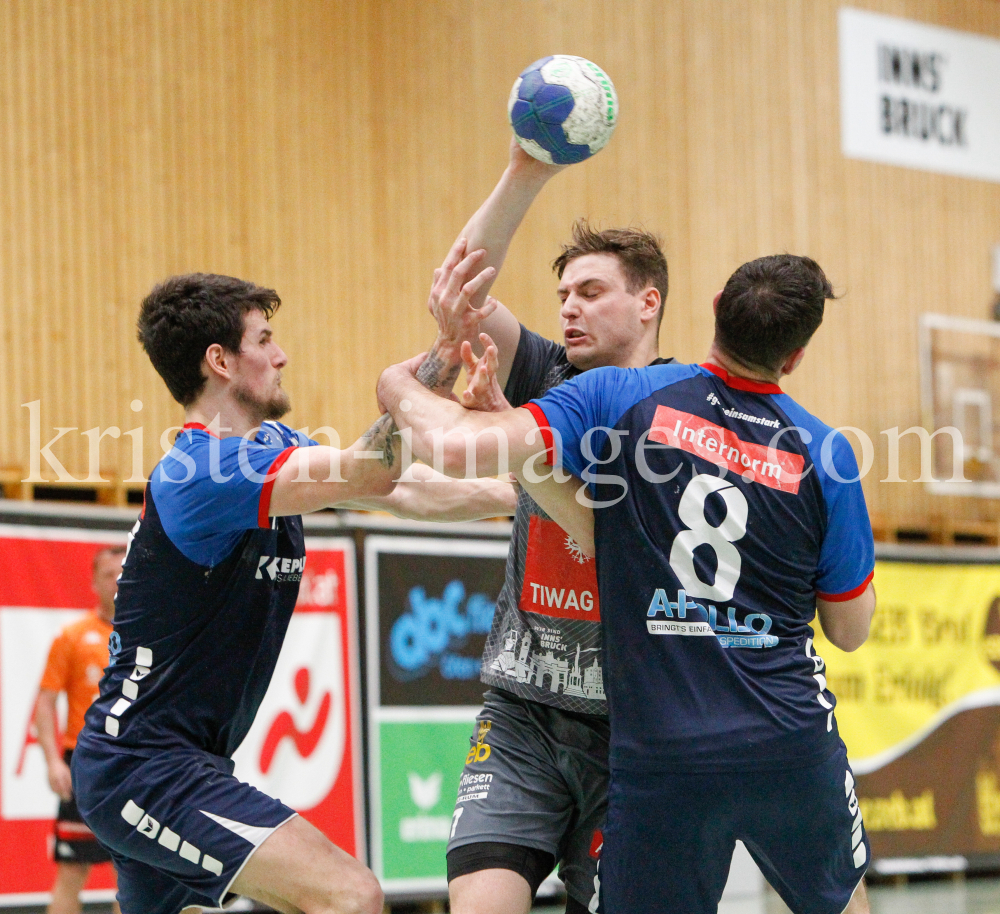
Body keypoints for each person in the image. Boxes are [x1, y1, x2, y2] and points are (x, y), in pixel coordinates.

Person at [377, 253, 877, 914]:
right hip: (786, 735)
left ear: (712, 304)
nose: (571, 307)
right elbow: (849, 630)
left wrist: (395, 384)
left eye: (590, 291)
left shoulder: (621, 397)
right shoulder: (826, 453)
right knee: (841, 901)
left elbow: (464, 452)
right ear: (797, 356)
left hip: (665, 746)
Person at [70, 272, 513, 914]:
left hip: (184, 764)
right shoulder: (200, 472)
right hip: (143, 769)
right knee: (350, 896)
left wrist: (524, 498)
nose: (281, 356)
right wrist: (441, 356)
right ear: (220, 361)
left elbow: (401, 487)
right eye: (264, 340)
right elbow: (373, 464)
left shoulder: (272, 448)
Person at [415, 141, 672, 914]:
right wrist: (526, 171)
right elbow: (462, 294)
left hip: (636, 730)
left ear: (648, 302)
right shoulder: (551, 375)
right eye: (563, 293)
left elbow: (606, 534)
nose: (569, 308)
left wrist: (510, 452)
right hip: (522, 713)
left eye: (591, 292)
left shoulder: (684, 410)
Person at [36, 546, 125, 914]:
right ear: (92, 581)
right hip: (84, 765)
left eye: (124, 573)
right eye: (109, 574)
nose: (118, 581)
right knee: (73, 869)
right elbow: (44, 702)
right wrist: (54, 761)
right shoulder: (72, 636)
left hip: (132, 764)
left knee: (134, 872)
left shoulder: (148, 637)